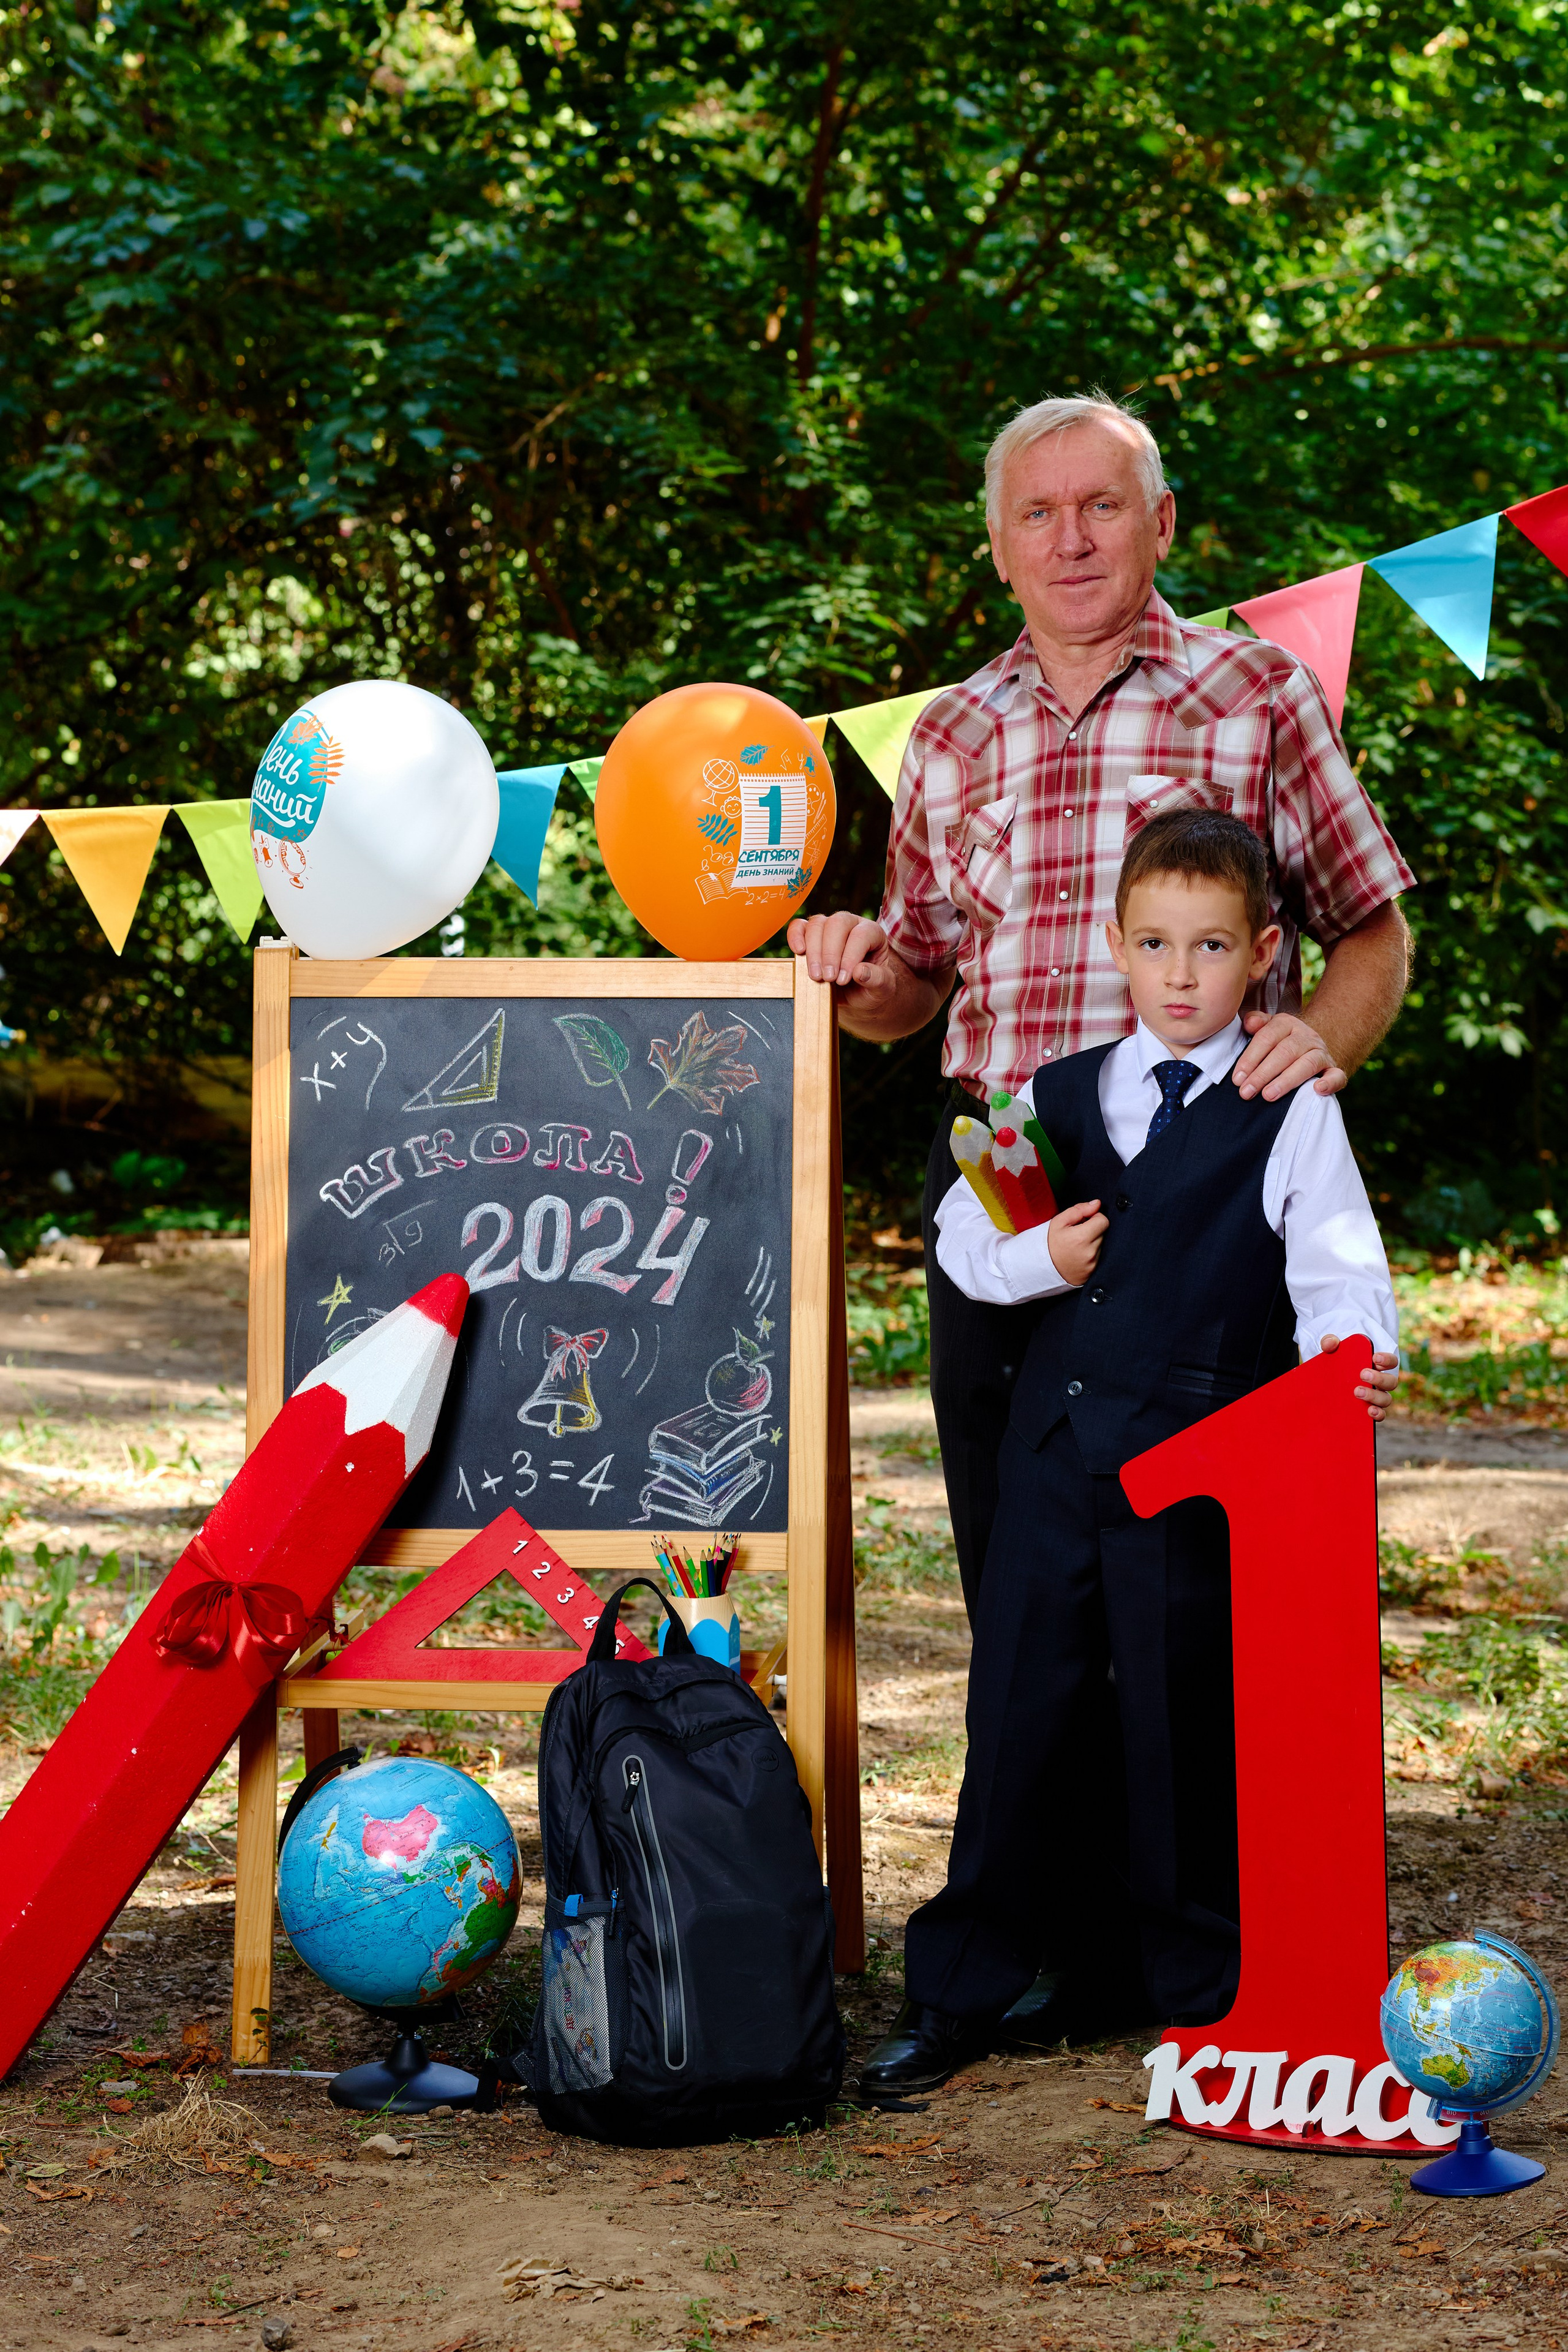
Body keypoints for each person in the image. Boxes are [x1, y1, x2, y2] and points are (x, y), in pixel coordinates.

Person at [788, 393, 1414, 1623]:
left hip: (1202, 1164)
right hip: (1000, 1171)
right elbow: (911, 987)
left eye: (1099, 506)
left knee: (1192, 1557)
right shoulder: (949, 733)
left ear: (1159, 523)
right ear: (1000, 546)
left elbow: (1373, 931)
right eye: (1037, 512)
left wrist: (1313, 1050)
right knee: (1010, 1537)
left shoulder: (1259, 693)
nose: (1068, 538)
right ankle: (1037, 1806)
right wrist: (861, 975)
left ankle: (1188, 1813)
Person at [859, 810, 1401, 2093]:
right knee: (1017, 1707)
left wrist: (1346, 1360)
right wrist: (1030, 1261)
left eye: (1208, 947)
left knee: (1177, 1717)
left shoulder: (1287, 1108)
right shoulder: (1052, 1097)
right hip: (1053, 1454)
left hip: (1199, 1464)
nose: (1177, 974)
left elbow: (1333, 1265)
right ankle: (957, 1990)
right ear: (1112, 944)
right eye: (1153, 943)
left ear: (1261, 954)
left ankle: (1196, 1995)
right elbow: (957, 1238)